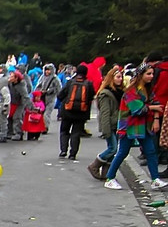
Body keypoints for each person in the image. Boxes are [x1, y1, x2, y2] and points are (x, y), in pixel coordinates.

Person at [104, 63, 167, 191]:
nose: (151, 76)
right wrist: (153, 108)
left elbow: (156, 104)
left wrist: (155, 118)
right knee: (123, 152)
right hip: (129, 126)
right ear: (140, 75)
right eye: (148, 74)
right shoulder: (130, 91)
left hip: (144, 125)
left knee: (151, 151)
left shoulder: (148, 89)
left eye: (152, 74)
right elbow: (137, 110)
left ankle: (155, 179)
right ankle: (110, 178)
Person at [88, 65, 123, 180]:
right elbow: (104, 113)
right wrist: (105, 129)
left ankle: (106, 172)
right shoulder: (106, 94)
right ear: (111, 78)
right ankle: (95, 165)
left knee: (113, 149)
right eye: (118, 77)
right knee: (113, 148)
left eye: (121, 77)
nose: (120, 79)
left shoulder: (120, 92)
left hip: (117, 124)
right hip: (109, 124)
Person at [57, 63, 96, 159]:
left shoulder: (70, 82)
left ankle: (63, 150)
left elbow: (60, 95)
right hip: (81, 113)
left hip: (67, 111)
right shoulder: (89, 84)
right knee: (76, 133)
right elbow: (91, 97)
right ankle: (73, 153)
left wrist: (65, 102)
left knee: (64, 131)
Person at [37, 63, 60, 132]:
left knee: (47, 114)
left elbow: (58, 89)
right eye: (46, 70)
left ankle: (45, 127)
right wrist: (39, 92)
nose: (47, 72)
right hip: (42, 98)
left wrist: (49, 91)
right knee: (40, 113)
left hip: (51, 99)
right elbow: (38, 86)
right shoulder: (42, 77)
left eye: (49, 70)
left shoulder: (55, 79)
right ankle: (39, 127)